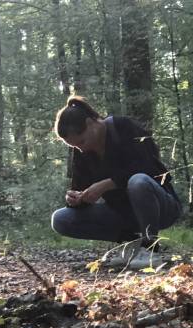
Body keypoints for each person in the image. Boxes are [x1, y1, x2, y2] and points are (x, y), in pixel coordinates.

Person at [50, 96, 182, 268]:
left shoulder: (123, 127)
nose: (80, 148)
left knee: (138, 181)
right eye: (74, 146)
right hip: (123, 214)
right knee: (61, 219)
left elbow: (150, 169)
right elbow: (81, 191)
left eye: (81, 141)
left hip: (162, 207)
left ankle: (150, 248)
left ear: (91, 124)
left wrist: (108, 183)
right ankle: (131, 244)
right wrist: (76, 199)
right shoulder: (83, 153)